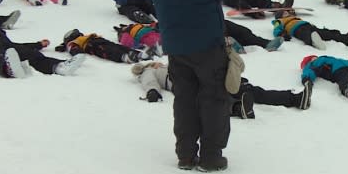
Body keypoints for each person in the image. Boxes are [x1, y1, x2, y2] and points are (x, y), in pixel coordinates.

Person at [147, 0, 232, 172]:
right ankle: (210, 157)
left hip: (175, 44)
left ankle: (185, 154)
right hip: (206, 43)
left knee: (184, 99)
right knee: (213, 98)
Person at [132, 61, 313, 113]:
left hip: (203, 75)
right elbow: (149, 83)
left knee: (248, 89)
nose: (155, 63)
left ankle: (295, 99)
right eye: (151, 63)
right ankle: (236, 108)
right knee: (212, 99)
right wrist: (153, 92)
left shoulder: (164, 64)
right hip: (186, 84)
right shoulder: (148, 72)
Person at [0, 14, 85, 79]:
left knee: (28, 53)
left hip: (6, 44)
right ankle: (7, 69)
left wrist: (38, 45)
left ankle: (58, 67)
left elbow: (16, 45)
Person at [55, 28, 150, 64]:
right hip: (91, 45)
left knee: (117, 46)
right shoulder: (72, 43)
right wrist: (77, 53)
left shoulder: (83, 37)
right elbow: (72, 48)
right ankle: (123, 57)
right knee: (108, 50)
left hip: (97, 40)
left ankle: (137, 54)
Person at [272, 10, 348, 50]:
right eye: (284, 13)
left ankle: (347, 39)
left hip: (308, 26)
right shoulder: (279, 21)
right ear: (280, 16)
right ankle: (313, 41)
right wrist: (281, 34)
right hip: (296, 29)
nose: (287, 13)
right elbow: (276, 29)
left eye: (287, 12)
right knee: (306, 34)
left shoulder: (294, 17)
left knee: (325, 33)